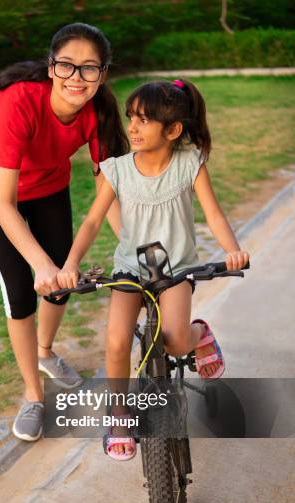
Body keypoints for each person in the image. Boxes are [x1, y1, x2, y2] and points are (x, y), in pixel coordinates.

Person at [55, 79, 250, 460]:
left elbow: (212, 213)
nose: (133, 128)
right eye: (131, 119)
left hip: (175, 269)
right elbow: (94, 222)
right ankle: (119, 414)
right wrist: (71, 263)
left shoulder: (189, 163)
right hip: (130, 269)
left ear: (173, 130)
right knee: (115, 341)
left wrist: (233, 251)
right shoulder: (117, 170)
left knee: (176, 340)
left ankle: (201, 334)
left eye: (144, 121)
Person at [0, 23, 128, 443]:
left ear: (103, 74)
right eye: (67, 66)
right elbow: (5, 205)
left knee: (61, 286)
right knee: (22, 294)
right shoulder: (19, 100)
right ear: (51, 66)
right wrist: (39, 263)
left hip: (50, 187)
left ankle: (45, 352)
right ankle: (33, 394)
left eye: (89, 68)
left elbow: (107, 195)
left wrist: (132, 245)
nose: (77, 77)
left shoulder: (98, 113)